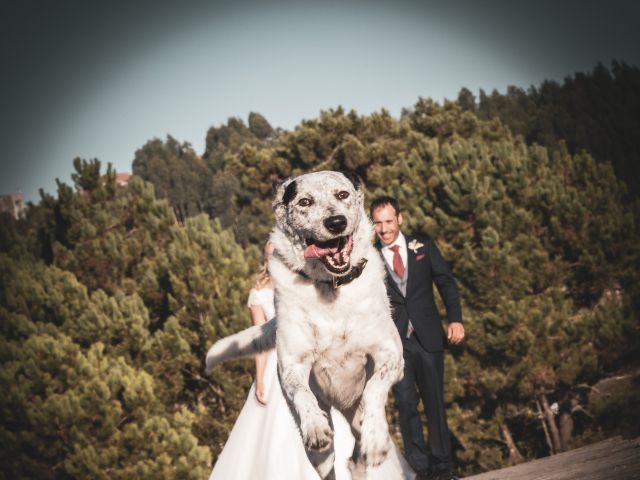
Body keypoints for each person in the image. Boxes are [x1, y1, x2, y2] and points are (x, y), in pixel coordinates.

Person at [210, 240, 415, 480]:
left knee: (345, 421)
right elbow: (261, 340)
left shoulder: (307, 284)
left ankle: (356, 467)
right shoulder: (259, 293)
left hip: (318, 359)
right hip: (282, 364)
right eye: (269, 255)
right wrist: (261, 380)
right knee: (281, 431)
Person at [370, 196, 465, 480]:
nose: (384, 229)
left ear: (400, 219)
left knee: (434, 403)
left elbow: (446, 282)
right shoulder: (370, 257)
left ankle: (443, 469)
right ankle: (421, 471)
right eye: (378, 223)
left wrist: (456, 319)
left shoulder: (423, 247)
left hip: (429, 337)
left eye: (389, 221)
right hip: (394, 344)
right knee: (406, 405)